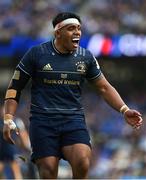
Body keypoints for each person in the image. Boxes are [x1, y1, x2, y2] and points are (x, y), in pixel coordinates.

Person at [2, 12, 143, 179]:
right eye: (71, 29)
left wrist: (124, 109)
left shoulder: (85, 57)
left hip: (73, 120)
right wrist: (9, 117)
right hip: (43, 121)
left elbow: (104, 87)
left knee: (82, 162)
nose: (77, 32)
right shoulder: (36, 54)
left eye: (78, 28)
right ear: (58, 33)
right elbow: (14, 87)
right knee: (47, 170)